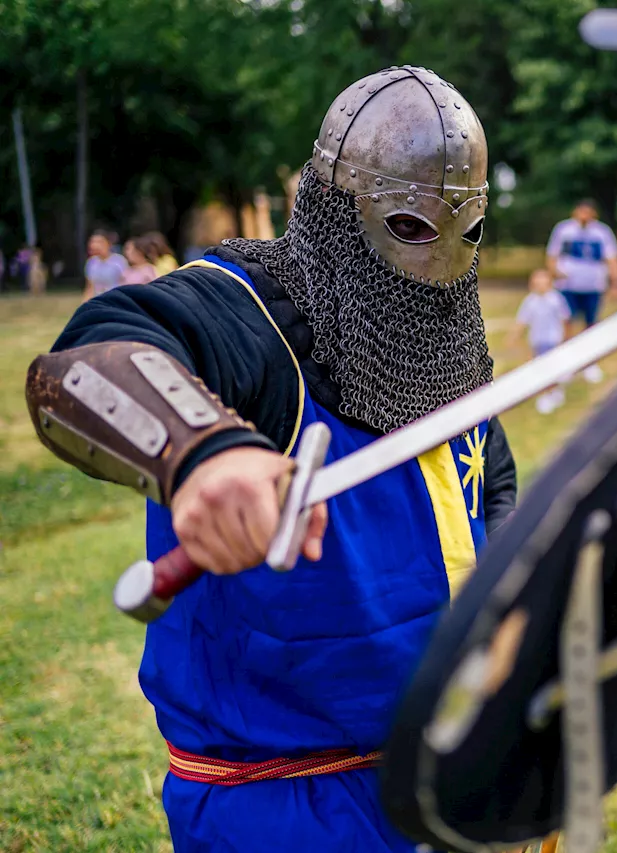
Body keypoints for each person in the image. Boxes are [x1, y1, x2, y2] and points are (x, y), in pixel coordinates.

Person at [25, 67, 527, 853]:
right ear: (333, 205)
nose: (439, 258)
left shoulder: (444, 339)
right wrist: (204, 453)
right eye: (411, 224)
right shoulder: (242, 309)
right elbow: (86, 360)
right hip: (290, 807)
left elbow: (487, 480)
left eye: (461, 229)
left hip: (452, 776)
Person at [546, 198, 617, 383]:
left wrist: (616, 283)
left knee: (591, 325)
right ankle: (566, 364)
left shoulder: (602, 233)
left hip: (593, 287)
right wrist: (554, 273)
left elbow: (612, 258)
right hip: (568, 287)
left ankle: (589, 363)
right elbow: (552, 255)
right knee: (567, 324)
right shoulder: (564, 230)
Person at [510, 268, 571, 414]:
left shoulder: (556, 299)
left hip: (553, 339)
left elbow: (565, 319)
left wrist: (565, 339)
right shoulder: (530, 301)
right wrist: (513, 336)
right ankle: (547, 393)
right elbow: (522, 321)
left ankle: (553, 392)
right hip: (537, 340)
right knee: (541, 368)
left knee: (552, 367)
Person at [82, 230, 129, 301]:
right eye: (92, 242)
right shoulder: (91, 262)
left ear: (108, 244)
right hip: (98, 301)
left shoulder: (119, 261)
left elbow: (126, 284)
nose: (95, 245)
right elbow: (90, 288)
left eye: (99, 242)